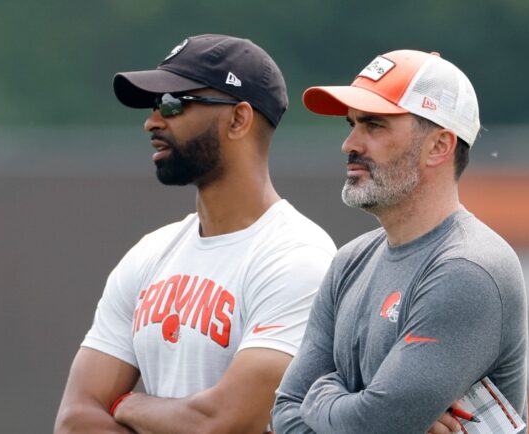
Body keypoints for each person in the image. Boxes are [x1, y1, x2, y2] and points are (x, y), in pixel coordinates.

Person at [53, 34, 338, 434]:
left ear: (239, 119)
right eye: (155, 106)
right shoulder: (150, 254)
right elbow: (74, 419)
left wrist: (128, 404)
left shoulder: (297, 258)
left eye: (173, 104)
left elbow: (224, 421)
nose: (152, 121)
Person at [272, 49, 528, 434]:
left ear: (440, 146)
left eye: (374, 125)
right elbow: (286, 415)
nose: (350, 144)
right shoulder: (349, 262)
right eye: (351, 124)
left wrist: (322, 395)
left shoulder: (468, 268)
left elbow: (374, 422)